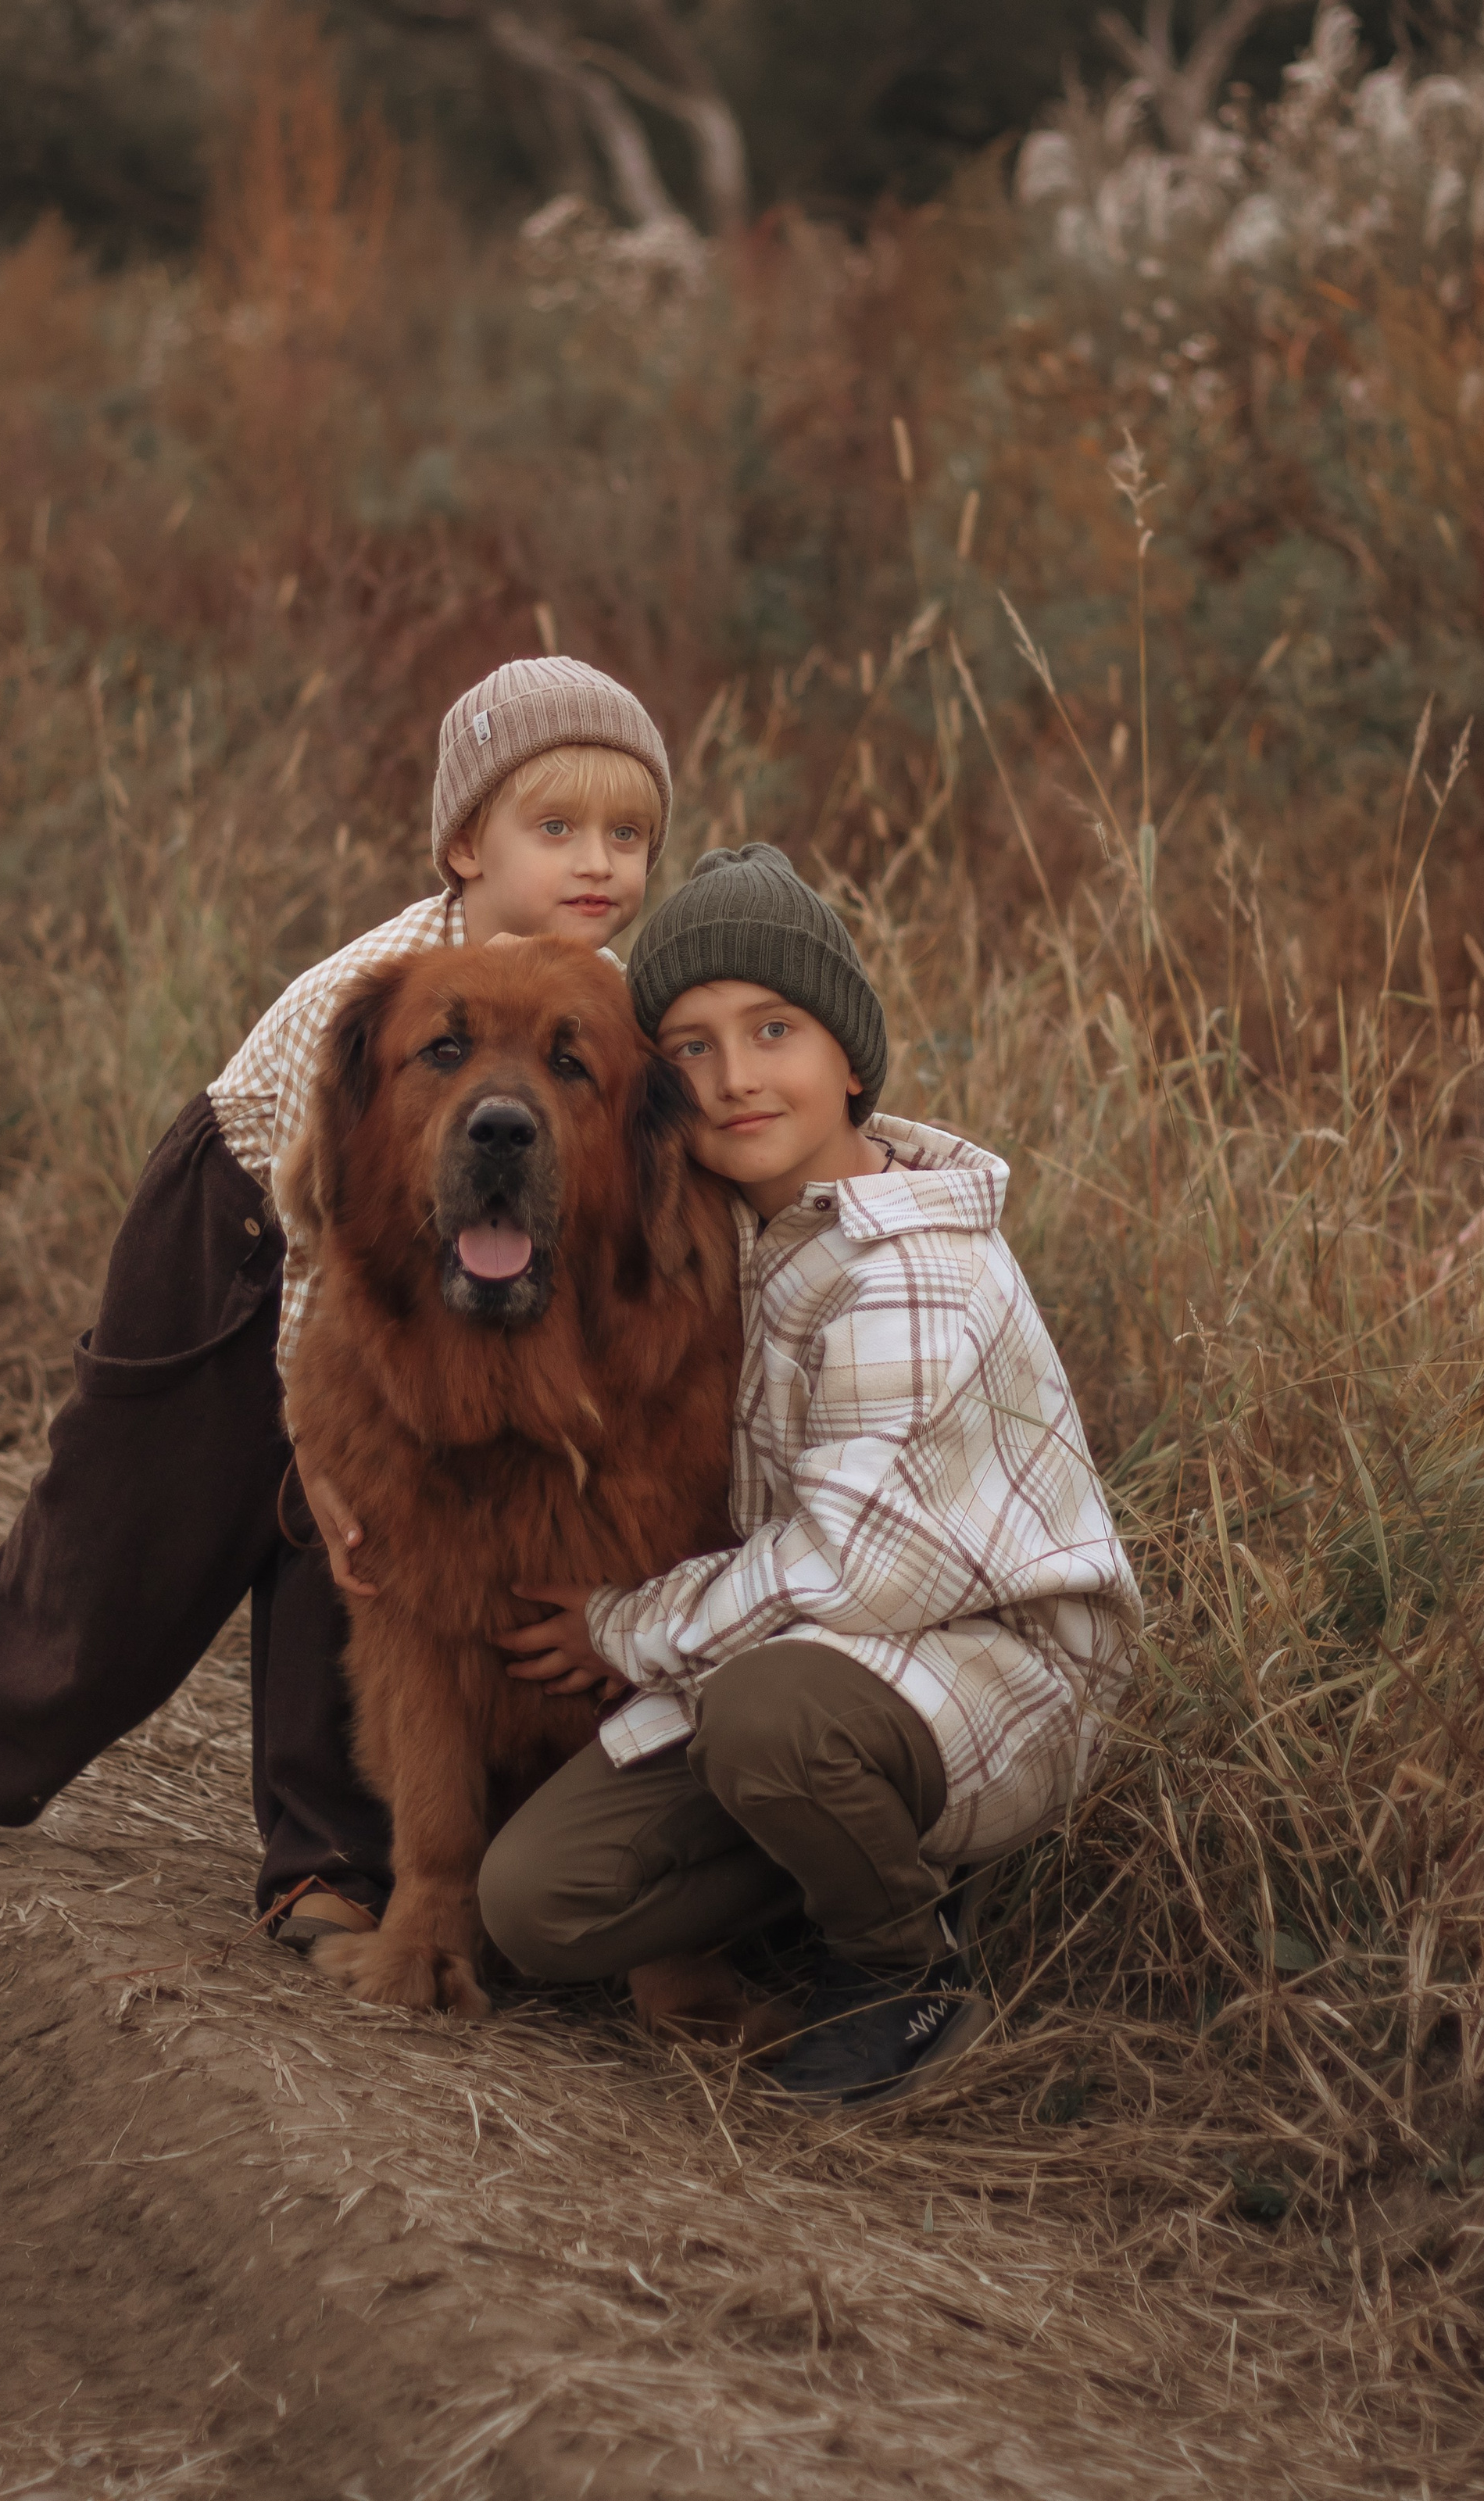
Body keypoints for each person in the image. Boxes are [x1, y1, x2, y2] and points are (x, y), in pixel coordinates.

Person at [0, 656, 674, 1949]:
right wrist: (306, 1434)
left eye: (629, 834)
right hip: (246, 1222)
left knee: (365, 1534)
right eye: (557, 828)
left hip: (423, 1252)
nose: (599, 862)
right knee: (148, 1515)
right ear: (464, 845)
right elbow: (328, 1227)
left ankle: (327, 1864)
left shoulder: (590, 994)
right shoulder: (367, 997)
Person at [475, 843, 1143, 2105]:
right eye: (689, 1048)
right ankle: (821, 1871)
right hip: (794, 1670)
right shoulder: (742, 1228)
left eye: (771, 1029)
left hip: (987, 1674)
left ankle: (902, 1969)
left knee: (774, 1720)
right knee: (533, 1906)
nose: (734, 1079)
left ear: (848, 1058)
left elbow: (850, 1570)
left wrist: (623, 1626)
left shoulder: (911, 1275)